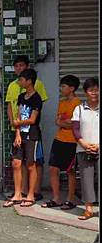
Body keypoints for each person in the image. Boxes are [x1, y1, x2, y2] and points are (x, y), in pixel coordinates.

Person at [5, 55, 48, 201]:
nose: (18, 69)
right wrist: (15, 125)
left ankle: (34, 192)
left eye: (21, 65)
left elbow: (36, 112)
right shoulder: (14, 88)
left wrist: (20, 123)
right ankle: (20, 192)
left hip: (32, 132)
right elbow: (11, 106)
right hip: (18, 130)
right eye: (16, 66)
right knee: (17, 162)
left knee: (34, 162)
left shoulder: (38, 86)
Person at [41, 75, 81, 210]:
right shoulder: (62, 103)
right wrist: (65, 123)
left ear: (72, 88)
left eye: (63, 86)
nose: (61, 89)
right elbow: (57, 121)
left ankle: (70, 199)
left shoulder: (77, 103)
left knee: (70, 171)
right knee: (53, 168)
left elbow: (75, 124)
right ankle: (56, 198)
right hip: (59, 139)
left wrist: (65, 123)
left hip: (72, 141)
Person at [72, 78, 99, 221]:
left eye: (96, 89)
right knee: (86, 179)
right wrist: (84, 144)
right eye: (91, 90)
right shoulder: (79, 109)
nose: (94, 93)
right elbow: (75, 129)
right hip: (83, 149)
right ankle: (88, 209)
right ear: (85, 92)